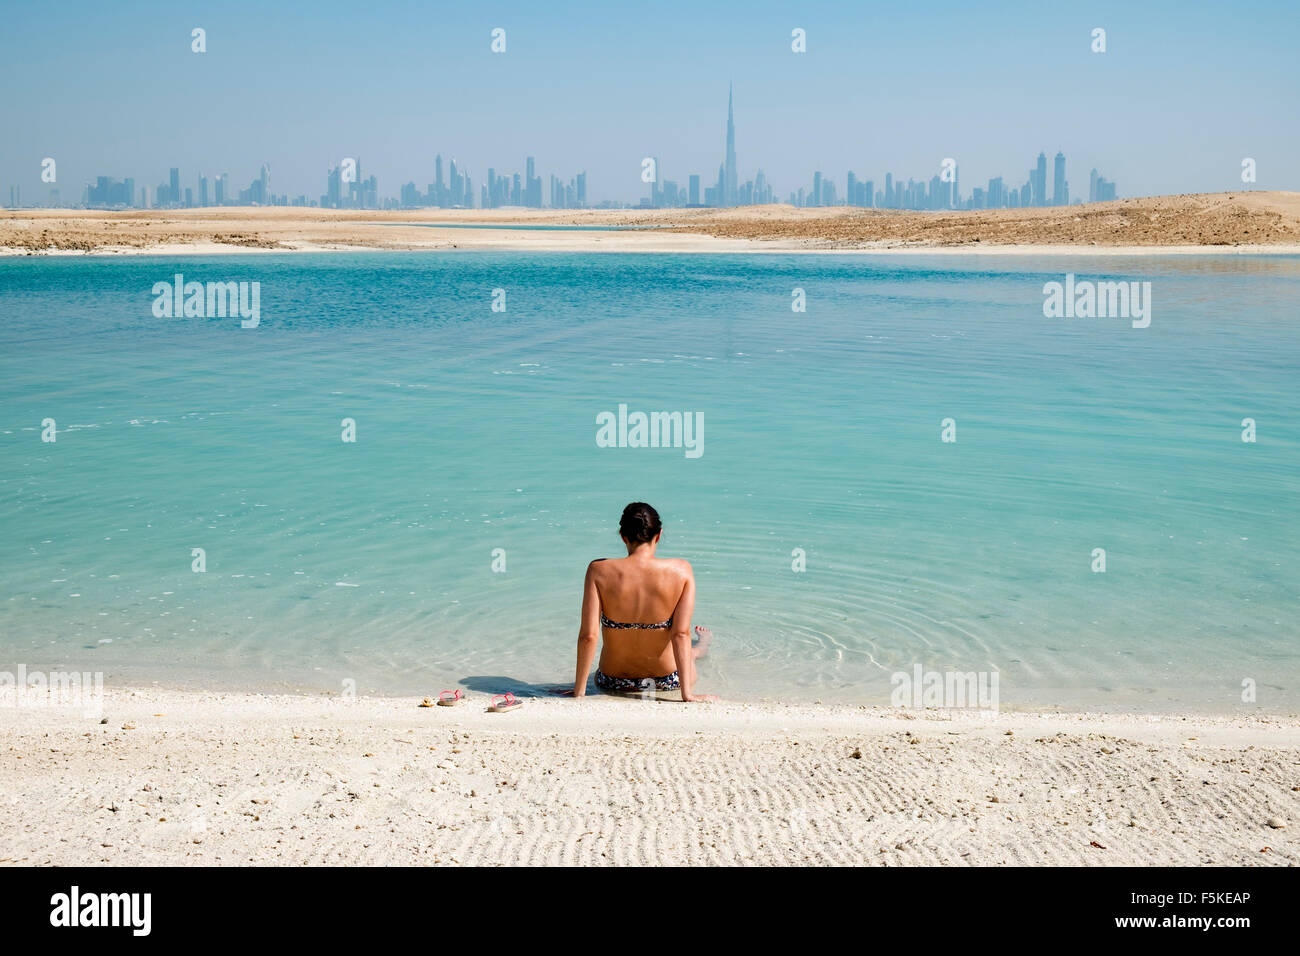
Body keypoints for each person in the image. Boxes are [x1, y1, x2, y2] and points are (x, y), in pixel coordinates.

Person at [569, 502, 714, 702]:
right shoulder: (681, 570)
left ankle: (699, 648)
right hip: (668, 680)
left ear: (622, 536)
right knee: (689, 653)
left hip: (613, 681)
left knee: (686, 651)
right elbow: (680, 633)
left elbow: (588, 636)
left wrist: (579, 692)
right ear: (659, 535)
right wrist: (687, 695)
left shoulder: (598, 570)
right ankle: (702, 646)